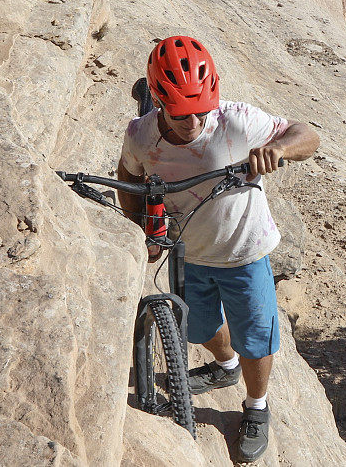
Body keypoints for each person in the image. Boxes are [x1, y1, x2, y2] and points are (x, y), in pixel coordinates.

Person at [117, 35, 319, 462]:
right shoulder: (140, 135)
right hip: (189, 254)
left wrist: (278, 148)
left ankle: (257, 407)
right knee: (197, 328)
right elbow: (129, 176)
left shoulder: (236, 122)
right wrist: (141, 226)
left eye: (199, 111)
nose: (192, 123)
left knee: (256, 339)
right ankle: (225, 367)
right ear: (158, 100)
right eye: (179, 113)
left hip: (244, 253)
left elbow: (308, 135)